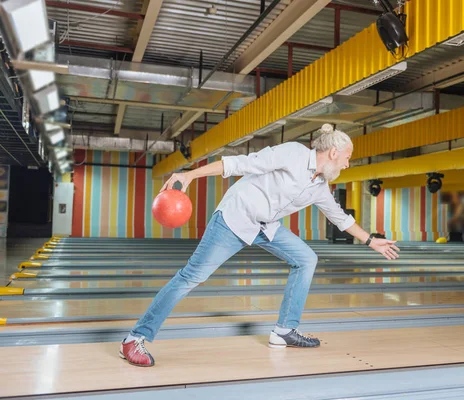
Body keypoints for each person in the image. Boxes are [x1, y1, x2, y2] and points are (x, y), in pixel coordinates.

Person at [119, 123, 400, 367]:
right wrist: (190, 175)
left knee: (306, 259)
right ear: (334, 153)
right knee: (192, 276)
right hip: (233, 219)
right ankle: (135, 339)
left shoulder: (319, 187)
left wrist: (371, 240)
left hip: (265, 226)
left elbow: (340, 218)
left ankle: (285, 331)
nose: (347, 165)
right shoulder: (293, 154)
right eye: (347, 158)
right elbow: (238, 163)